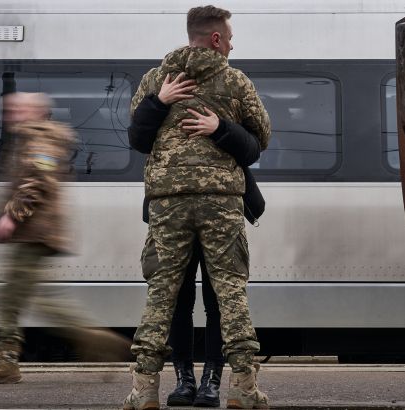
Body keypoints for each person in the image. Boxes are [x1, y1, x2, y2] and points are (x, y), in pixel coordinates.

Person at [123, 5, 271, 410]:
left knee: (162, 293)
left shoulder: (155, 77)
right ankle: (242, 387)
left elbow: (135, 139)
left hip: (167, 204)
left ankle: (143, 390)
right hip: (220, 204)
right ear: (217, 39)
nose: (233, 43)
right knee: (230, 292)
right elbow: (261, 142)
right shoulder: (234, 80)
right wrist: (161, 102)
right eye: (231, 36)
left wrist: (217, 127)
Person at [0, 92, 130, 385]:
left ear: (37, 111)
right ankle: (9, 362)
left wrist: (11, 216)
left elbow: (38, 181)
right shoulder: (28, 138)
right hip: (30, 234)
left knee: (18, 299)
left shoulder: (41, 138)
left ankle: (97, 340)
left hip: (33, 233)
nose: (9, 114)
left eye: (17, 108)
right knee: (17, 298)